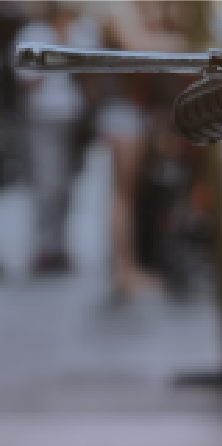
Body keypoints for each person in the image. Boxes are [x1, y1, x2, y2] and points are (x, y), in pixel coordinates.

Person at [95, 1, 186, 299]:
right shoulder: (119, 10)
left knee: (128, 194)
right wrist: (183, 43)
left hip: (130, 111)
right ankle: (124, 269)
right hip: (122, 111)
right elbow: (137, 46)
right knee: (123, 195)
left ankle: (127, 266)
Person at [15, 1, 98, 275]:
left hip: (75, 119)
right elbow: (25, 78)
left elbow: (92, 76)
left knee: (68, 186)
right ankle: (43, 246)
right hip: (44, 118)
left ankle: (60, 245)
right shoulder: (32, 33)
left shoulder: (82, 31)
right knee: (48, 184)